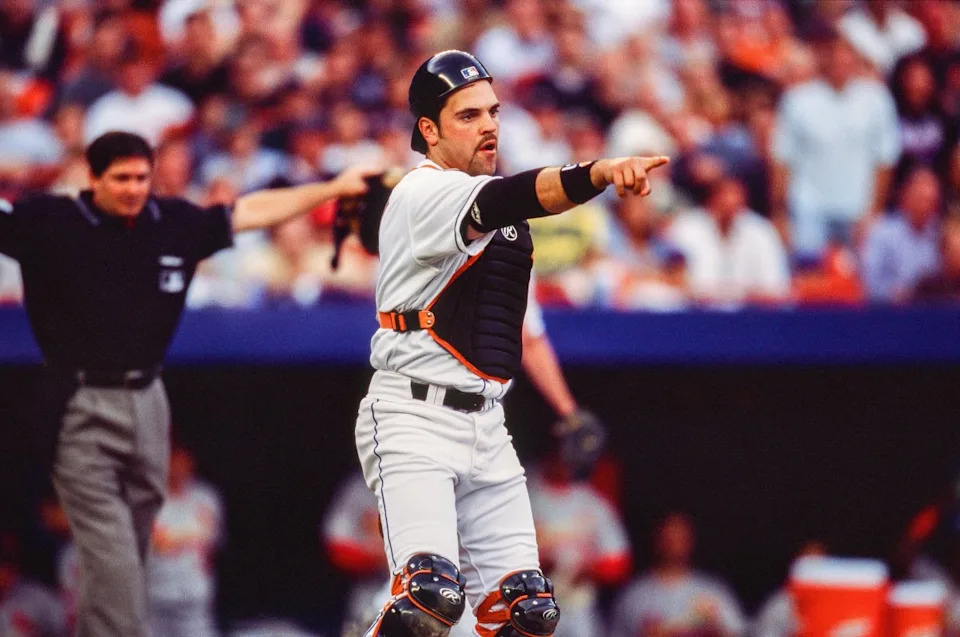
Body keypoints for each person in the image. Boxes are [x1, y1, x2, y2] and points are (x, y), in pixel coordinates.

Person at [0, 130, 373, 636]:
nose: (133, 188)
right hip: (80, 393)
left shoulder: (169, 222)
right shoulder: (55, 220)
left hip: (147, 393)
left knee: (139, 542)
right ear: (93, 178)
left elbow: (251, 212)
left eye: (140, 177)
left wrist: (328, 190)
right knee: (110, 552)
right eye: (121, 179)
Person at [353, 49, 668, 637]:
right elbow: (515, 196)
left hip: (487, 425)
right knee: (428, 601)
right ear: (429, 130)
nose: (489, 124)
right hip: (413, 415)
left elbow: (523, 325)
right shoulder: (425, 192)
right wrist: (598, 172)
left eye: (493, 112)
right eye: (468, 115)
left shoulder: (500, 225)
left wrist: (567, 409)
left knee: (527, 613)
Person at [611, 512, 747, 637]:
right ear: (658, 541)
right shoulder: (634, 595)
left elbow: (737, 631)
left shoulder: (714, 591)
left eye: (681, 538)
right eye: (669, 538)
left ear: (690, 542)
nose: (675, 545)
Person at [148, 443, 224, 637]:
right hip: (155, 597)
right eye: (172, 461)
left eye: (182, 460)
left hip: (192, 598)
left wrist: (174, 536)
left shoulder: (205, 497)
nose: (178, 467)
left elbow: (208, 536)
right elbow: (160, 543)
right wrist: (189, 534)